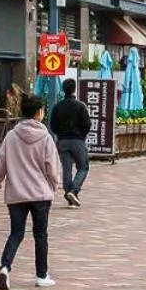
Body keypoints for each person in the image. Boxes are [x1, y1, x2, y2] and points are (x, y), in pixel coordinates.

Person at [0, 94, 63, 290]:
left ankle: (5, 267)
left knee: (16, 233)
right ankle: (41, 275)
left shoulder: (11, 136)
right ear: (39, 112)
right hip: (40, 195)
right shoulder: (46, 138)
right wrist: (54, 185)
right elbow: (52, 168)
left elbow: (0, 166)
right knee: (40, 234)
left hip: (16, 194)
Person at [48, 78, 91, 207]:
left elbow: (52, 125)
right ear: (74, 89)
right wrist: (82, 135)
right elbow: (87, 124)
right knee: (83, 167)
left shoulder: (57, 107)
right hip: (77, 140)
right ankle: (74, 190)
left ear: (63, 89)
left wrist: (60, 134)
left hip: (62, 141)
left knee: (66, 169)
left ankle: (69, 194)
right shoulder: (80, 106)